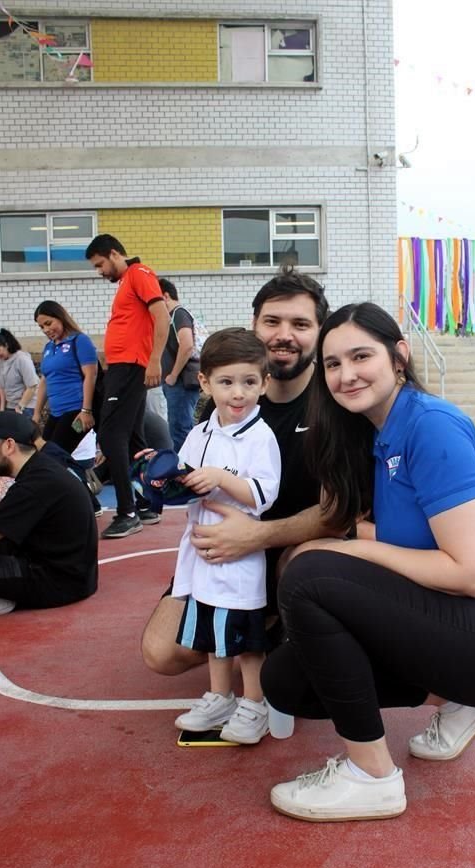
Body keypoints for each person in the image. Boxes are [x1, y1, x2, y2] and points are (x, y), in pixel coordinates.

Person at [261, 302, 475, 823]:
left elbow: (471, 573)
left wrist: (343, 549)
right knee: (287, 680)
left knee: (313, 576)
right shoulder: (376, 434)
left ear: (399, 356)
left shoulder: (431, 426)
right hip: (466, 626)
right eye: (333, 364)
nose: (346, 374)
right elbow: (409, 540)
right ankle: (460, 697)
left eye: (361, 356)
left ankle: (372, 778)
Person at [140, 265, 330, 676]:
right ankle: (255, 628)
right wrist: (164, 478)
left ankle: (287, 631)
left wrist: (258, 536)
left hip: (289, 547)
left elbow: (338, 513)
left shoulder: (332, 405)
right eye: (272, 321)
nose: (284, 334)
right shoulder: (222, 402)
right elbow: (196, 477)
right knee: (161, 652)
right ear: (254, 325)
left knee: (309, 564)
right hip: (224, 549)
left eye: (300, 323)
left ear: (320, 332)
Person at [154, 328, 281, 743]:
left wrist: (223, 478)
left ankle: (255, 703)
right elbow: (184, 479)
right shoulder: (200, 433)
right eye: (226, 382)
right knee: (212, 631)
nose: (238, 393)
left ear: (264, 382)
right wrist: (159, 476)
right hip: (202, 555)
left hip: (239, 555)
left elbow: (262, 494)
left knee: (245, 637)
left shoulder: (261, 437)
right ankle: (220, 696)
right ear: (206, 382)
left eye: (249, 382)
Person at [85, 234, 169, 538]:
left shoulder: (139, 273)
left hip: (132, 366)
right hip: (124, 366)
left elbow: (161, 317)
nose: (100, 271)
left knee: (110, 435)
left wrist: (155, 360)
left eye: (100, 265)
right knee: (134, 441)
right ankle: (146, 504)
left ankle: (127, 511)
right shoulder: (127, 282)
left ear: (113, 254)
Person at [0, 412, 98, 615]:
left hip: (56, 582)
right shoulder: (43, 469)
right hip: (73, 575)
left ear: (9, 446)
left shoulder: (34, 486)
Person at [32, 300, 98, 454]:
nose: (46, 330)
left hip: (75, 411)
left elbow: (91, 375)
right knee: (42, 454)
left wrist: (86, 410)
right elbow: (45, 380)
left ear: (60, 317)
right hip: (55, 413)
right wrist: (36, 413)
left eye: (48, 323)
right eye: (41, 327)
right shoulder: (49, 347)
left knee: (55, 456)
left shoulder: (80, 340)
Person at [159, 278, 200, 451]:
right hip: (179, 382)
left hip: (181, 382)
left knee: (179, 429)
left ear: (165, 296)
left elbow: (187, 345)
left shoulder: (179, 314)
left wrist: (173, 375)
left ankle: (183, 471)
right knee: (180, 427)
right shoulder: (175, 316)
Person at [0, 328, 38, 416]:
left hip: (27, 406)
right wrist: (2, 409)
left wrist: (20, 407)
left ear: (6, 345)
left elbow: (32, 386)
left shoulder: (22, 359)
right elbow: (1, 388)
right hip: (10, 406)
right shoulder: (0, 362)